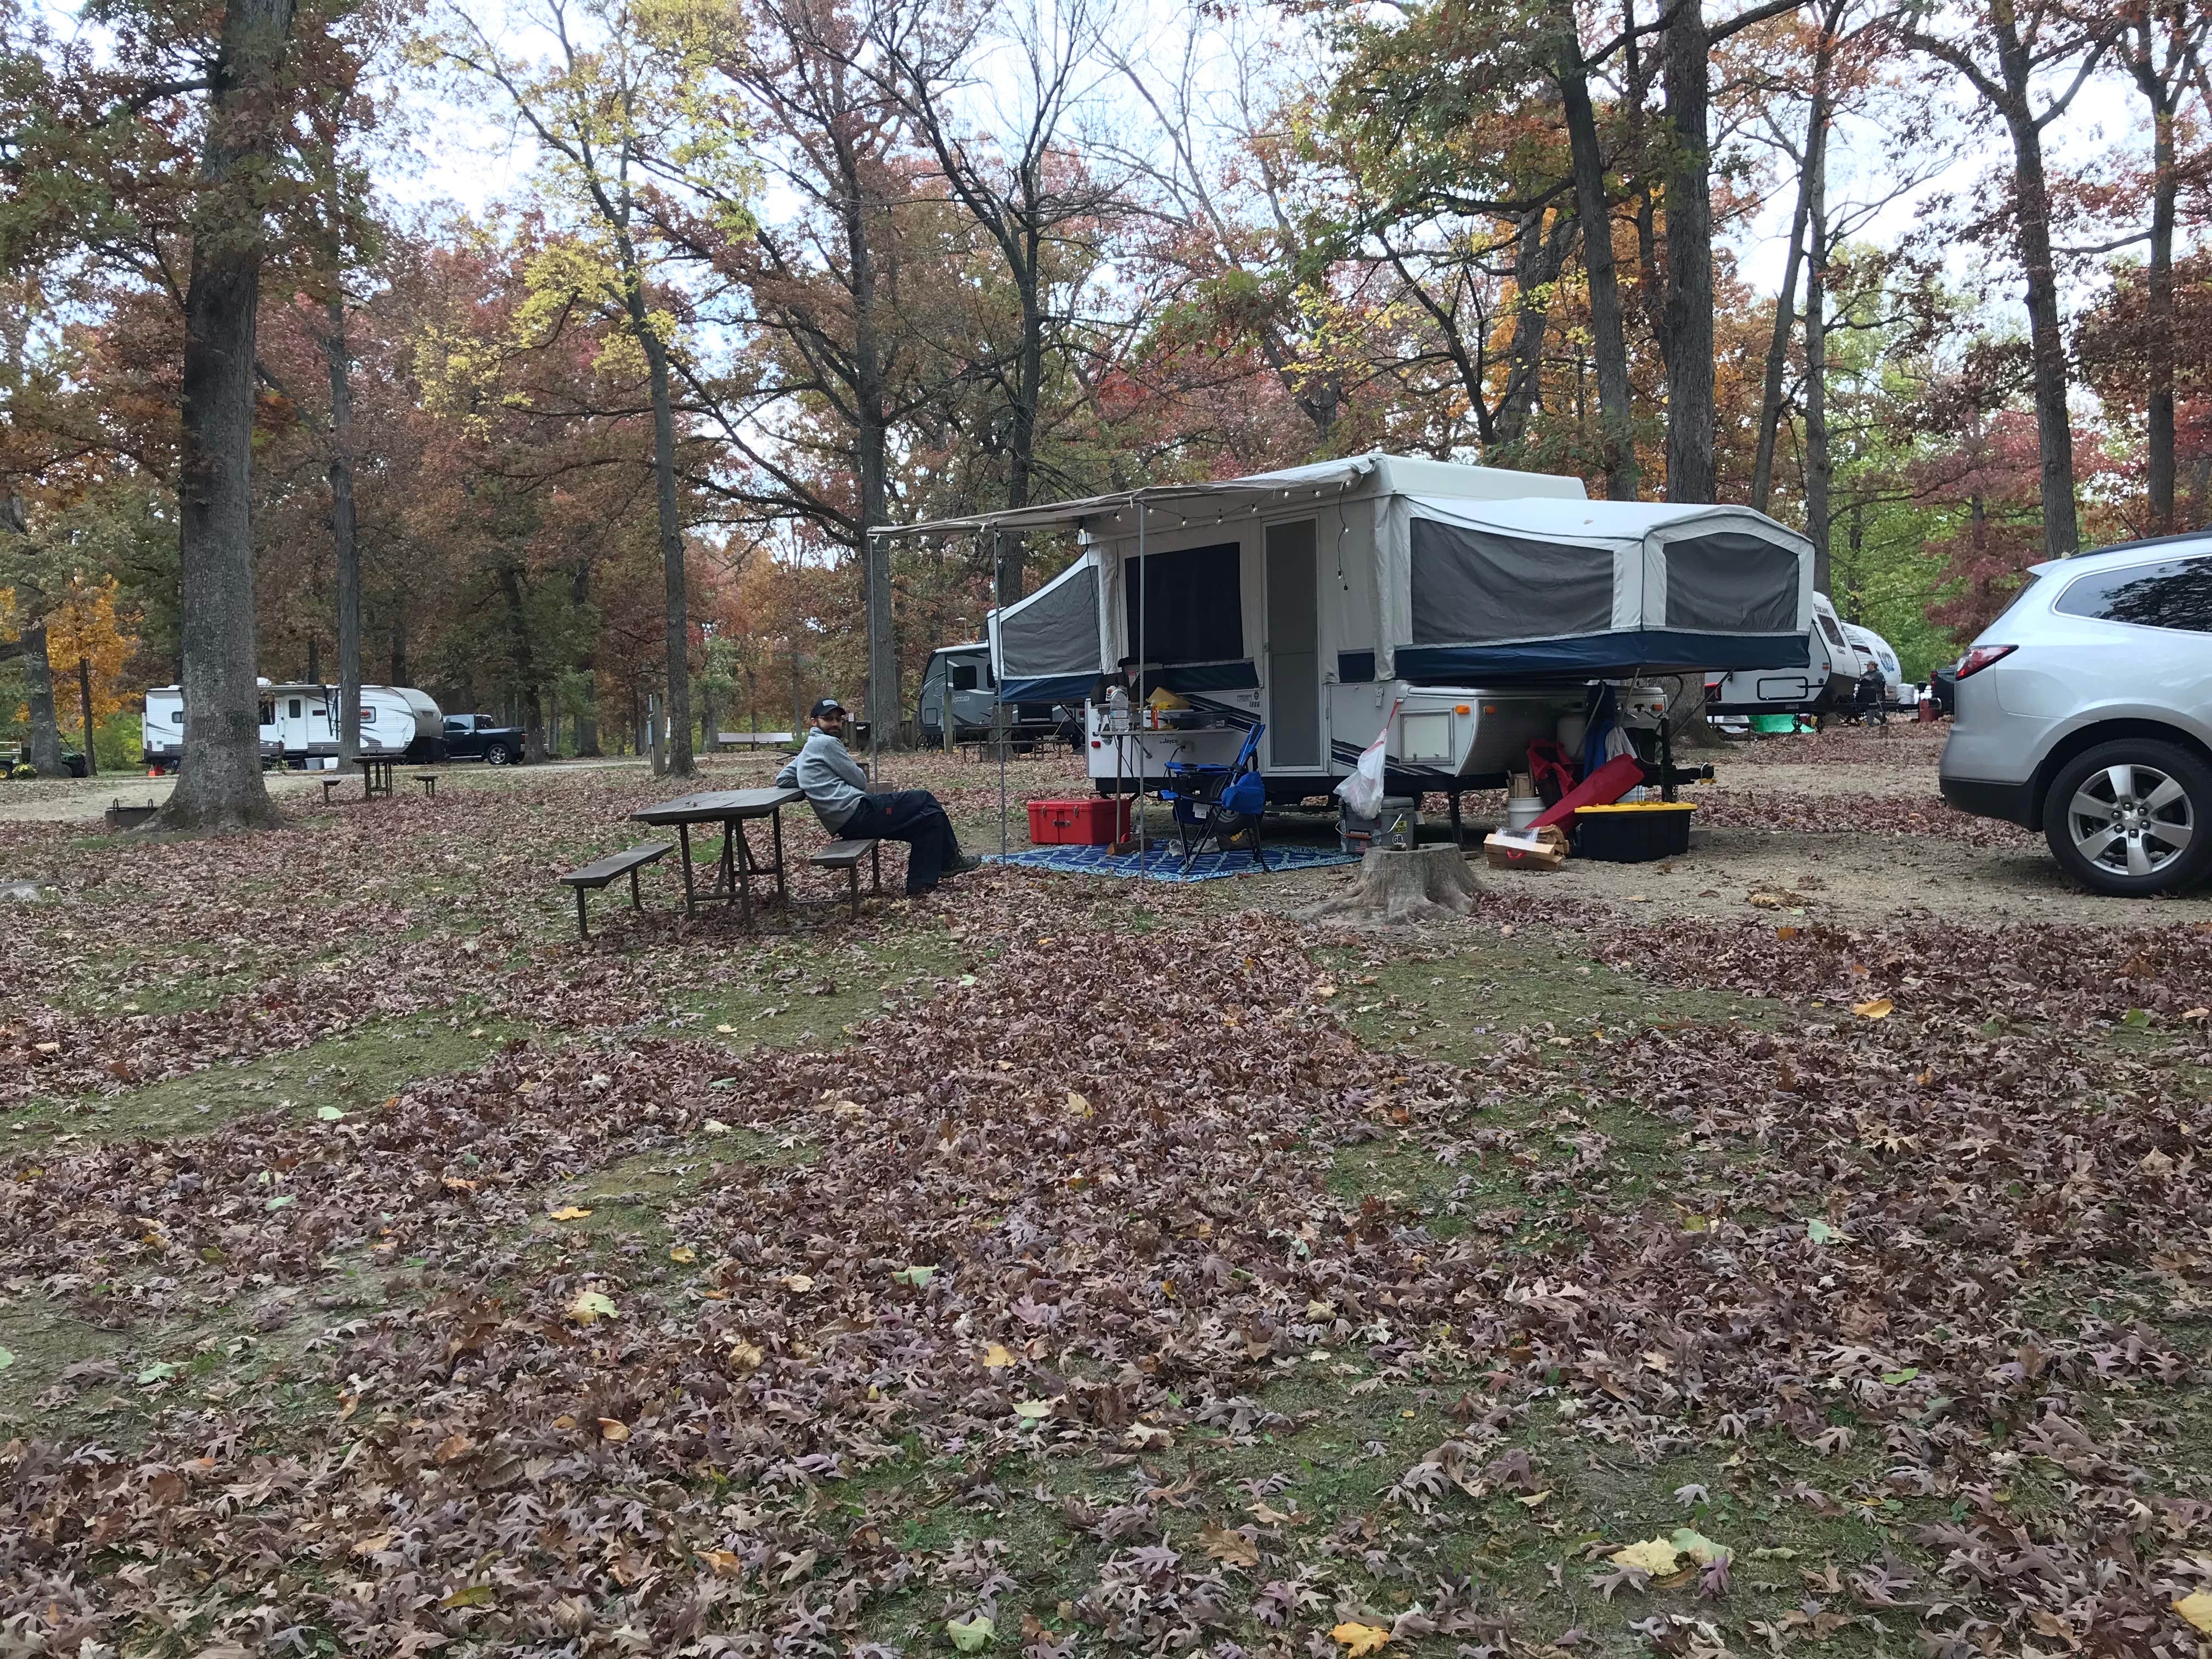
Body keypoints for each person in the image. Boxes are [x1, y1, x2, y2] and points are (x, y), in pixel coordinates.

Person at [776, 697, 979, 895]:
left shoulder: (810, 748)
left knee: (931, 819)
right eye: (828, 719)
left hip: (848, 818)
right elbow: (860, 781)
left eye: (838, 719)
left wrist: (813, 783)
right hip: (857, 811)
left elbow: (783, 779)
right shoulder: (826, 744)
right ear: (814, 722)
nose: (835, 724)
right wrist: (817, 783)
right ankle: (952, 860)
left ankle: (921, 884)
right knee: (924, 799)